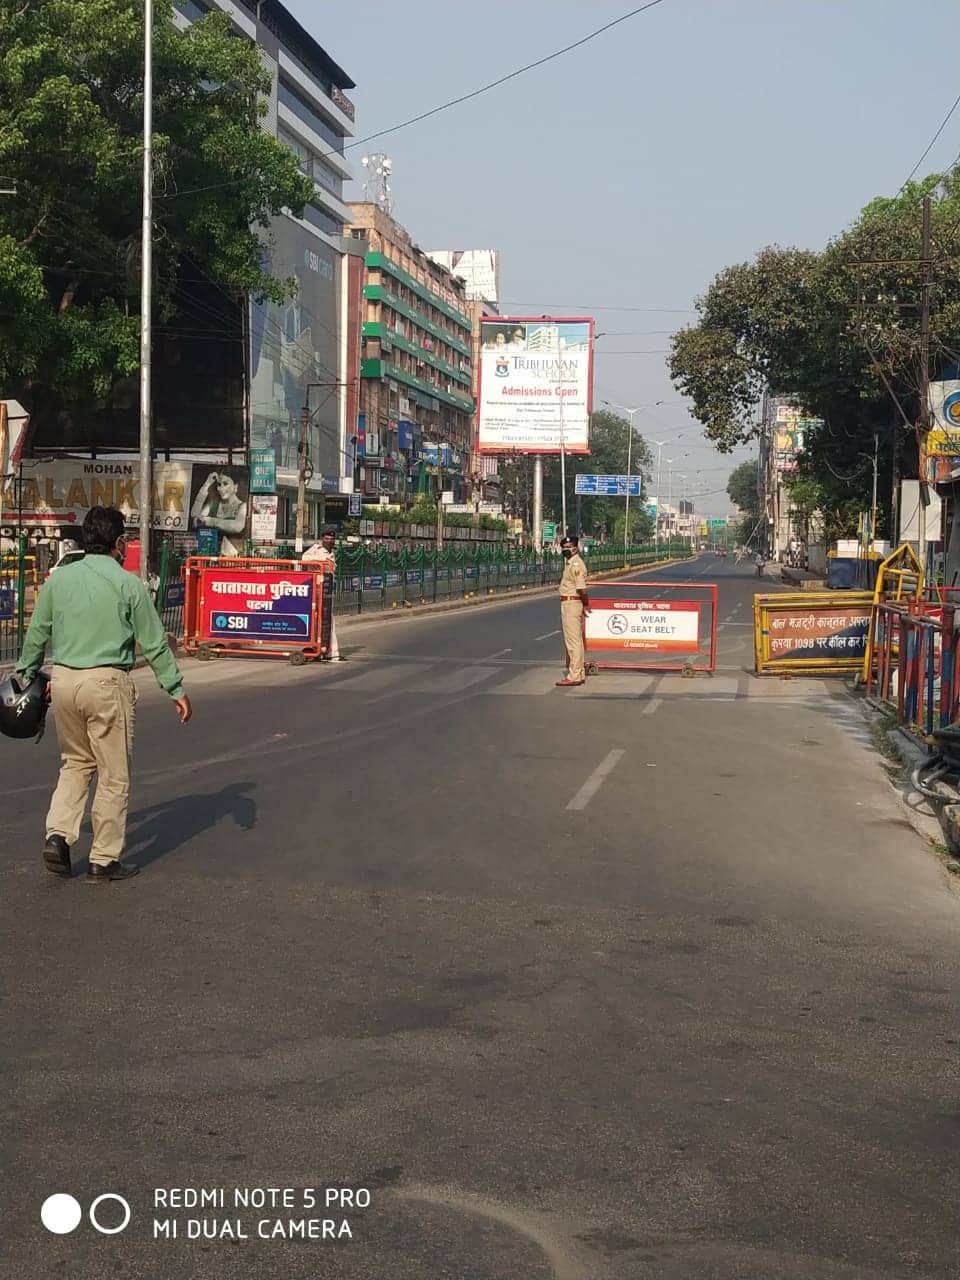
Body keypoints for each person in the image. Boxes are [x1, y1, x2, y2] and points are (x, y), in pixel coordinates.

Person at [15, 506, 192, 883]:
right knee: (113, 776)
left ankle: (58, 836)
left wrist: (24, 675)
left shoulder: (58, 580)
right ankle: (104, 859)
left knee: (75, 764)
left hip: (62, 683)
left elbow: (36, 635)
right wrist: (175, 688)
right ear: (119, 543)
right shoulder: (128, 584)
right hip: (107, 684)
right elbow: (154, 642)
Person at [302, 525, 346, 661]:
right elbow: (304, 559)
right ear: (322, 539)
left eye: (331, 539)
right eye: (327, 538)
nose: (329, 541)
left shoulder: (333, 553)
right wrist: (319, 563)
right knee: (315, 622)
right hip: (316, 590)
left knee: (328, 622)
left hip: (327, 591)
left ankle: (331, 652)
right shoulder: (316, 549)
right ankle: (316, 649)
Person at [556, 534, 590, 687]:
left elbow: (581, 589)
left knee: (573, 642)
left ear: (576, 548)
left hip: (572, 603)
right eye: (564, 548)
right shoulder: (569, 563)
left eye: (569, 548)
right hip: (569, 603)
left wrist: (586, 604)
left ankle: (574, 675)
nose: (566, 550)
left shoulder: (576, 564)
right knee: (576, 641)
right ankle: (579, 673)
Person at [190, 470, 248, 556]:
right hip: (211, 555)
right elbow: (194, 518)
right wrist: (206, 485)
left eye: (225, 484)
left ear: (235, 486)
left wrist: (209, 521)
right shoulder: (213, 504)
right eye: (219, 484)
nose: (220, 488)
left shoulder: (242, 506)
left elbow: (237, 527)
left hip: (233, 557)